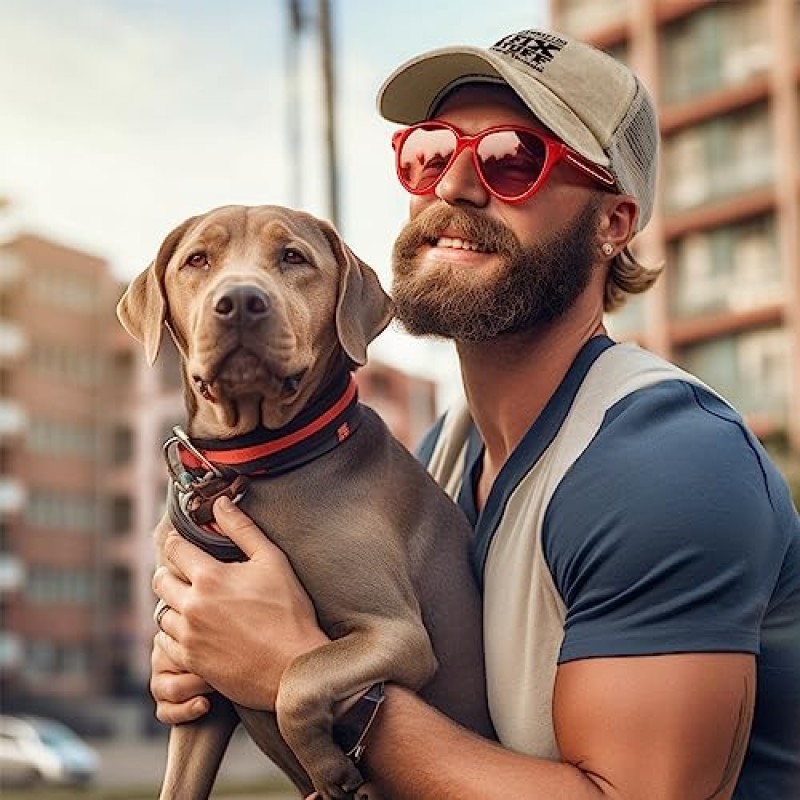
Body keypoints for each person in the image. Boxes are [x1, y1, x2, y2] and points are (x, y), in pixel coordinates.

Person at [151, 27, 800, 798]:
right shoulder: (438, 456)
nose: (455, 184)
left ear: (613, 222)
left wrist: (299, 670)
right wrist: (215, 653)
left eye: (513, 159)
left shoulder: (667, 465)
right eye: (430, 152)